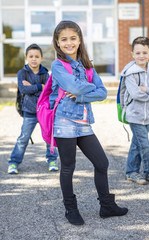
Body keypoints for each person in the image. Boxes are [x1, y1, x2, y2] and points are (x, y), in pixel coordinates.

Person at [49, 20, 128, 226]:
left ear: (80, 39)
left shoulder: (87, 66)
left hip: (83, 123)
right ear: (57, 42)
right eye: (64, 39)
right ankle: (70, 209)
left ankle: (107, 206)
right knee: (68, 167)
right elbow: (72, 87)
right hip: (64, 121)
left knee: (102, 163)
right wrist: (85, 88)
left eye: (73, 38)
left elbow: (102, 92)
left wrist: (81, 94)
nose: (69, 43)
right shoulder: (58, 65)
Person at [121, 37, 149, 185]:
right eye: (138, 52)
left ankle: (131, 172)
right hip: (134, 115)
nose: (141, 56)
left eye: (145, 52)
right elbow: (136, 94)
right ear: (132, 54)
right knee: (145, 145)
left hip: (148, 116)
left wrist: (146, 89)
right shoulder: (130, 73)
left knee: (137, 144)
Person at [8, 44, 59, 174]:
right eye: (31, 56)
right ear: (26, 58)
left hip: (44, 111)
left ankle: (52, 159)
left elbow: (47, 92)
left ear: (41, 58)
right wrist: (39, 86)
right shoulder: (22, 73)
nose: (34, 59)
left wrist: (34, 87)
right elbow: (23, 89)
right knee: (23, 138)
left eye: (37, 56)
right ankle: (13, 162)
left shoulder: (45, 73)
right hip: (29, 112)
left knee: (49, 137)